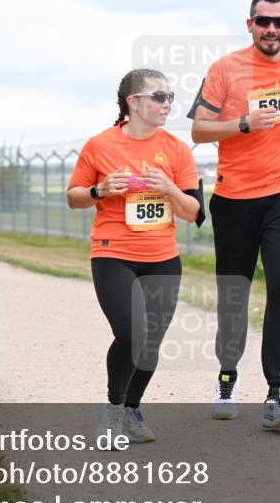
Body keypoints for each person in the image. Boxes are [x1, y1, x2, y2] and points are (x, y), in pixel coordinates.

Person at [189, 0, 280, 430]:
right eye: (263, 21)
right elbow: (199, 130)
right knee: (234, 294)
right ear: (250, 25)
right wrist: (241, 124)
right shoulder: (226, 69)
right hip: (234, 197)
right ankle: (227, 377)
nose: (271, 30)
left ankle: (277, 392)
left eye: (279, 22)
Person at [68, 68, 202, 445]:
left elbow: (194, 213)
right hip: (113, 254)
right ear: (134, 102)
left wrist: (171, 188)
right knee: (132, 332)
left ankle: (131, 409)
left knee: (151, 342)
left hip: (163, 258)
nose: (167, 104)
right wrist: (99, 189)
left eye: (170, 97)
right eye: (159, 97)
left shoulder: (176, 149)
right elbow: (73, 197)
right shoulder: (100, 145)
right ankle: (112, 410)